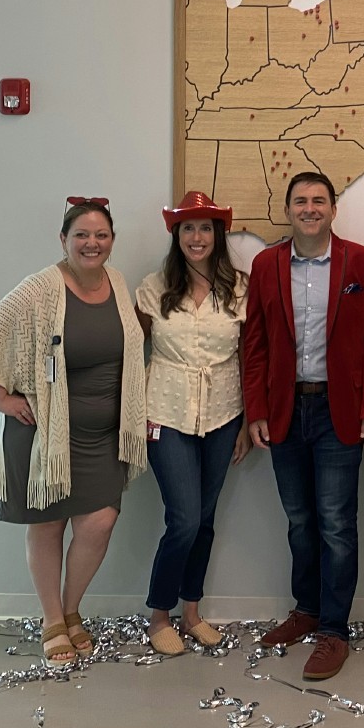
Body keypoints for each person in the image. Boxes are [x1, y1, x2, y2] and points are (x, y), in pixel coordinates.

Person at [0, 197, 147, 669]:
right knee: (48, 525)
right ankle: (53, 620)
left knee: (99, 522)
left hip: (103, 436)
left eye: (101, 235)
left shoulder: (118, 284)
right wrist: (1, 398)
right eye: (81, 234)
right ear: (63, 239)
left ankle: (71, 607)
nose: (92, 243)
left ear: (111, 241)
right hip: (45, 435)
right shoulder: (40, 288)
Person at [242, 171, 364, 681]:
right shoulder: (266, 265)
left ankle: (333, 630)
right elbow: (255, 344)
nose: (310, 208)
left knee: (335, 523)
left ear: (333, 209)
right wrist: (255, 409)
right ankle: (305, 608)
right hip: (285, 409)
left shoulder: (362, 262)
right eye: (301, 201)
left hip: (339, 411)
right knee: (300, 519)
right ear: (288, 210)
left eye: (319, 201)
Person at [135, 192, 250, 657]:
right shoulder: (153, 287)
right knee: (182, 519)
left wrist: (247, 422)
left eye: (205, 228)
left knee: (204, 520)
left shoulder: (239, 288)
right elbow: (129, 350)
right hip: (166, 410)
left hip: (224, 412)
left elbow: (249, 355)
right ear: (176, 236)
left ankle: (192, 612)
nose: (197, 237)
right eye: (188, 228)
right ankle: (159, 615)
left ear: (217, 235)